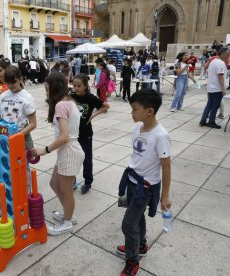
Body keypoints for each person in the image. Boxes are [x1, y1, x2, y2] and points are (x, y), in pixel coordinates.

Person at [117, 89, 171, 276]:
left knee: (128, 224)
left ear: (150, 111)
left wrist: (165, 196)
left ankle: (132, 261)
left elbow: (166, 167)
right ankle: (141, 244)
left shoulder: (161, 135)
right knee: (136, 217)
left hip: (146, 187)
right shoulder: (137, 128)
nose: (131, 113)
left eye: (134, 109)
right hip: (132, 180)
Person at [32, 72, 84, 235]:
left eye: (48, 89)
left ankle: (68, 222)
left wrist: (44, 150)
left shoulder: (61, 105)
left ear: (55, 87)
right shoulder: (69, 101)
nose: (47, 93)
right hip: (68, 150)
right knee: (55, 184)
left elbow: (64, 137)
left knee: (66, 190)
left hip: (69, 150)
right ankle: (67, 214)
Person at [0, 66, 37, 191]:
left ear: (20, 79)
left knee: (23, 167)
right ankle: (10, 192)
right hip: (3, 138)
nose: (11, 85)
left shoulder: (27, 97)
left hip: (20, 139)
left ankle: (26, 193)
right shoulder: (3, 96)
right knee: (6, 166)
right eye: (8, 82)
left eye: (13, 81)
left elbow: (33, 123)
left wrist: (17, 135)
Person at [70, 74, 109, 194]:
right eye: (74, 85)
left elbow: (106, 106)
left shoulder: (91, 98)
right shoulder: (70, 96)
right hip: (72, 133)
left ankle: (88, 182)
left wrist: (92, 116)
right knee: (72, 158)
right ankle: (72, 180)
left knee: (86, 159)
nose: (76, 88)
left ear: (86, 86)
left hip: (86, 133)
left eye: (79, 86)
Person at [199, 47, 230, 129]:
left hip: (211, 87)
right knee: (215, 106)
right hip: (217, 88)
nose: (228, 57)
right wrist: (223, 89)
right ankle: (211, 121)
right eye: (227, 55)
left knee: (209, 104)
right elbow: (220, 77)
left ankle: (203, 120)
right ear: (223, 54)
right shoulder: (220, 63)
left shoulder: (213, 61)